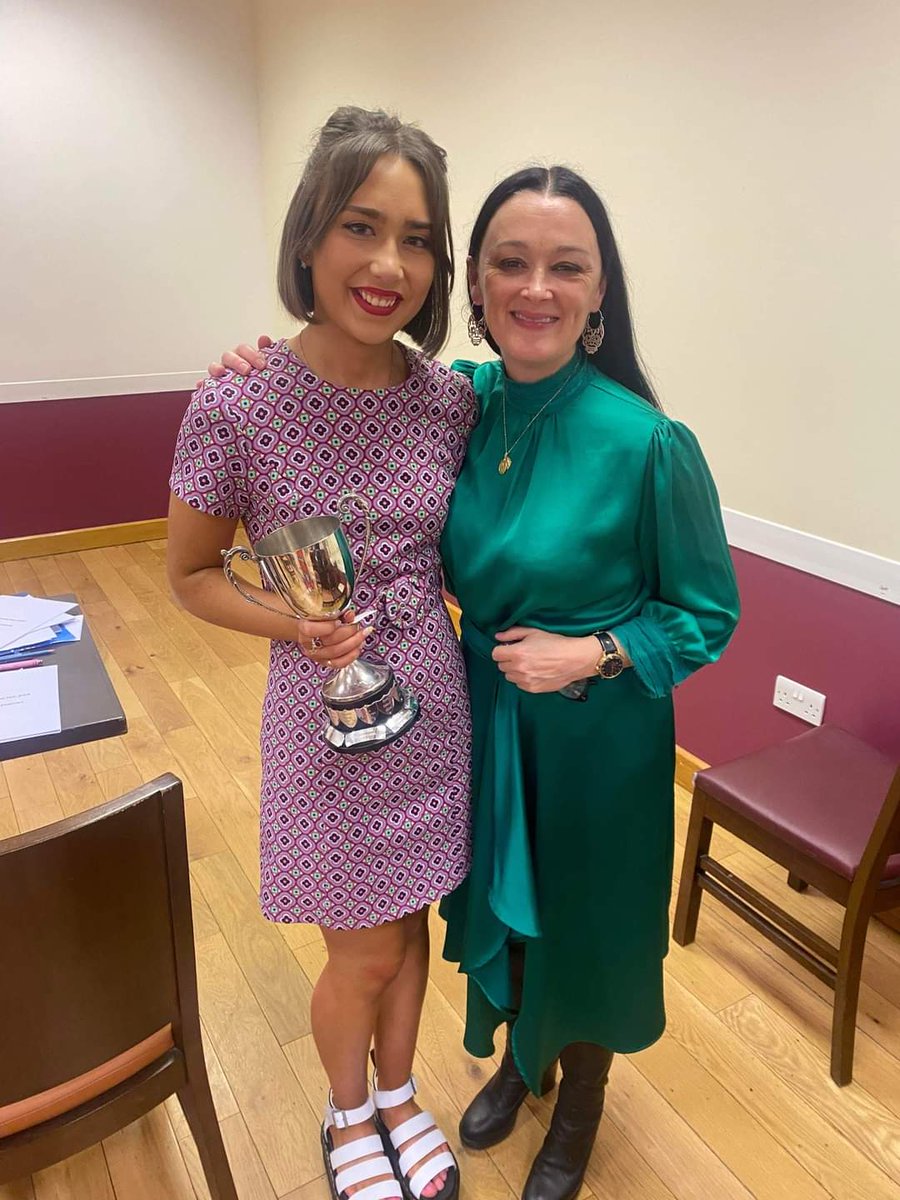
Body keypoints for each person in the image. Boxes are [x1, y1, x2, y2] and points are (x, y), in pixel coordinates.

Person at [212, 164, 739, 1200]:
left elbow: (707, 615)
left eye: (566, 267)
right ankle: (521, 1060)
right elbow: (352, 388)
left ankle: (579, 1104)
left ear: (599, 291)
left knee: (583, 916)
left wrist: (595, 652)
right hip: (483, 711)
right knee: (508, 905)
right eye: (511, 262)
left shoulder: (648, 443)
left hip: (594, 734)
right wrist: (265, 363)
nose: (536, 288)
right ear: (479, 285)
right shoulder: (465, 402)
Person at [168, 107, 475, 1200]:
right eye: (361, 226)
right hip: (325, 718)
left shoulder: (451, 401)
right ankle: (348, 1112)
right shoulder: (237, 403)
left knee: (413, 925)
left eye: (417, 239)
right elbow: (191, 574)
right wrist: (294, 626)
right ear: (309, 236)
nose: (389, 264)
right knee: (362, 949)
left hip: (434, 710)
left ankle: (399, 1094)